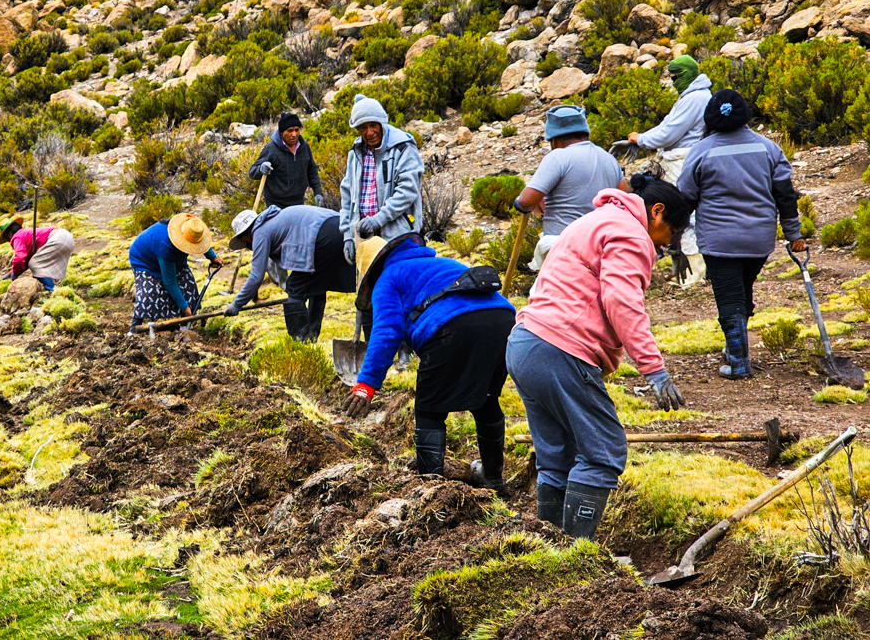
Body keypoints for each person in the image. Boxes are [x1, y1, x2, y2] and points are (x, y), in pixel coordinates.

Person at [506, 174, 691, 539]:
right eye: (672, 231)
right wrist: (655, 370)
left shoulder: (594, 220)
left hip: (526, 344)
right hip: (561, 349)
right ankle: (577, 555)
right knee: (603, 451)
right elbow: (622, 302)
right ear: (657, 212)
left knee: (557, 456)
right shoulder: (630, 234)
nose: (670, 242)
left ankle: (550, 552)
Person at [340, 234, 515, 490]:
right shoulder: (444, 263)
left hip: (451, 328)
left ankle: (431, 488)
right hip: (504, 323)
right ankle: (493, 477)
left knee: (429, 409)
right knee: (487, 399)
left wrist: (366, 384)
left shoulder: (388, 278)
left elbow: (387, 332)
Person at [677, 89, 806, 380]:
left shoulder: (701, 151)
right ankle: (735, 347)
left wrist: (675, 239)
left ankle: (738, 361)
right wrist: (793, 234)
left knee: (729, 297)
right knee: (742, 290)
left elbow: (686, 197)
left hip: (718, 240)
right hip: (758, 240)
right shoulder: (768, 148)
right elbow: (785, 195)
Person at [627, 55, 713, 286]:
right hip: (679, 158)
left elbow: (670, 132)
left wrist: (641, 139)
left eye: (676, 77)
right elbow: (667, 126)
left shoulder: (695, 98)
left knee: (684, 214)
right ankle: (684, 268)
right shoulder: (694, 96)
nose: (673, 82)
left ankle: (696, 272)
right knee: (679, 212)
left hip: (682, 160)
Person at [514, 105, 625, 271]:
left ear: (554, 140)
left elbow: (527, 201)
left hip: (564, 247)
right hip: (603, 247)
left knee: (550, 296)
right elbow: (625, 197)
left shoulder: (558, 157)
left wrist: (520, 204)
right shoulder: (608, 158)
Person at [223, 204, 355, 341]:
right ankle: (312, 335)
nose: (247, 244)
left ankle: (299, 339)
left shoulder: (260, 232)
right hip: (340, 227)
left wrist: (236, 304)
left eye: (244, 241)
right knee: (316, 283)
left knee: (295, 287)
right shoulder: (274, 221)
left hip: (321, 236)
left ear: (245, 236)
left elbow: (256, 276)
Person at [339, 94, 424, 267]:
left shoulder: (402, 147)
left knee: (398, 284)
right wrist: (348, 235)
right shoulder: (355, 153)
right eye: (363, 127)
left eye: (373, 125)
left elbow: (408, 191)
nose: (369, 132)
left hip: (398, 234)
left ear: (381, 123)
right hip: (364, 235)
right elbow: (347, 195)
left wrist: (378, 219)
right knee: (368, 288)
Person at [128, 213, 223, 333]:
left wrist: (212, 257)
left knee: (188, 284)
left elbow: (200, 242)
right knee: (149, 293)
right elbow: (169, 281)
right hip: (145, 261)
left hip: (171, 257)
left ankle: (183, 326)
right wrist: (184, 307)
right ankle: (133, 329)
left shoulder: (191, 226)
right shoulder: (166, 245)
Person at [249, 113, 324, 210]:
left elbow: (312, 171)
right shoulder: (271, 149)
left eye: (297, 130)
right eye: (290, 131)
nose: (294, 134)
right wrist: (261, 168)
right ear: (281, 132)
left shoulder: (304, 147)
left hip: (298, 204)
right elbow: (252, 172)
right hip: (275, 207)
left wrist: (318, 192)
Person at [0, 216, 76, 292]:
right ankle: (57, 289)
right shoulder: (26, 234)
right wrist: (12, 272)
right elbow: (26, 259)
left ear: (9, 234)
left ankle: (50, 290)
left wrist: (15, 273)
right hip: (67, 237)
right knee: (38, 262)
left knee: (35, 263)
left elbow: (20, 257)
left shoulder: (17, 237)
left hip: (57, 239)